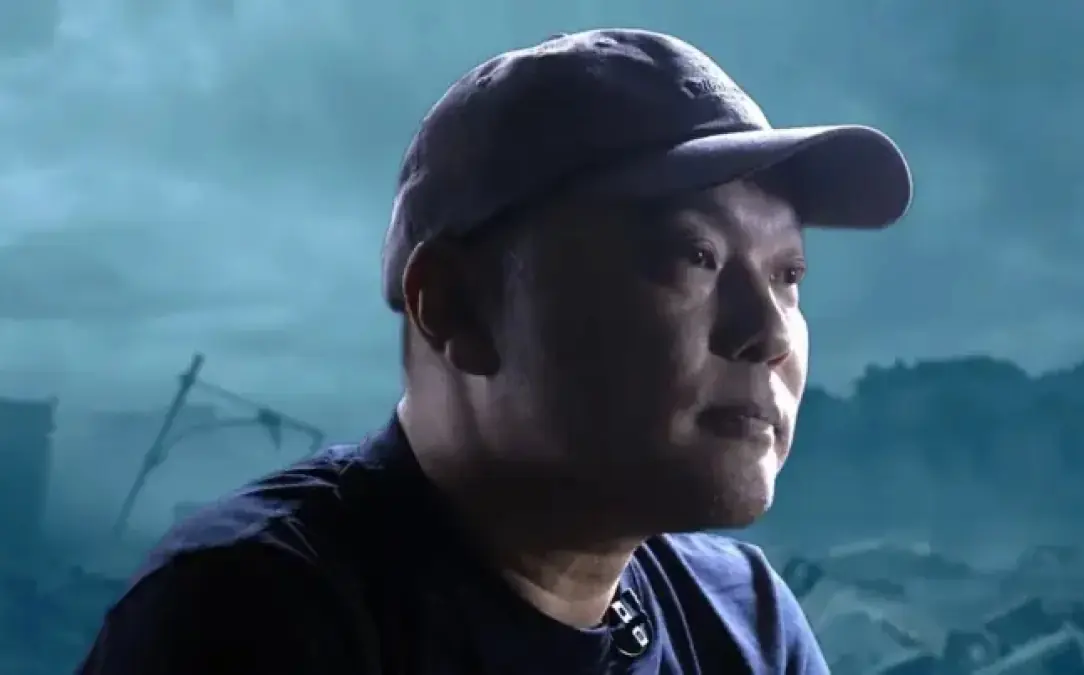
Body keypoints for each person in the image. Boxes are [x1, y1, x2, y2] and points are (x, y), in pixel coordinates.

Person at [78, 28, 912, 675]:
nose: (769, 331)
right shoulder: (258, 614)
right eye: (691, 256)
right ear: (453, 307)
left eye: (789, 275)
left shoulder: (744, 621)